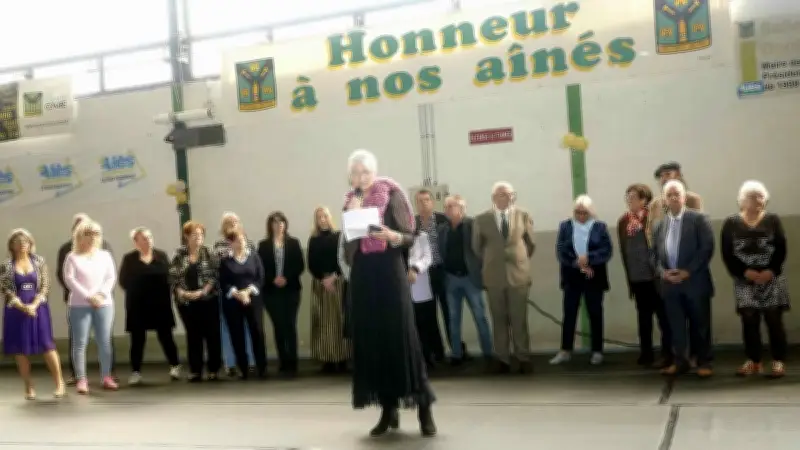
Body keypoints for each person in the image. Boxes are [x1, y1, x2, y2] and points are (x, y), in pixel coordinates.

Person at [340, 149, 436, 437]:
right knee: (375, 343)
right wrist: (352, 216)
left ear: (375, 172)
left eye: (365, 172)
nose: (360, 178)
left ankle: (424, 409)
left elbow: (410, 235)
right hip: (363, 275)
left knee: (402, 340)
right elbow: (347, 243)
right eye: (355, 173)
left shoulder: (392, 194)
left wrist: (393, 237)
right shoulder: (349, 201)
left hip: (390, 272)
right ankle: (388, 408)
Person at [721, 181, 789, 378]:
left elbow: (781, 249)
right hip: (745, 281)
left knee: (774, 320)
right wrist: (744, 272)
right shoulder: (731, 223)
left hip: (772, 279)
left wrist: (771, 271)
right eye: (753, 197)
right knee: (749, 321)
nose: (759, 201)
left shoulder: (773, 220)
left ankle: (778, 361)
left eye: (761, 196)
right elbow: (727, 253)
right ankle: (754, 361)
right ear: (743, 200)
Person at [651, 180, 715, 377]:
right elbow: (653, 255)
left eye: (676, 194)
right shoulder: (660, 225)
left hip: (694, 282)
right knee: (675, 326)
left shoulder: (699, 219)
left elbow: (706, 249)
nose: (673, 198)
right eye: (668, 195)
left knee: (700, 325)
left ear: (684, 197)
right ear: (664, 199)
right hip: (670, 285)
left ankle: (703, 362)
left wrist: (688, 271)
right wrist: (663, 272)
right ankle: (680, 362)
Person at [472, 181, 536, 374]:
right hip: (494, 278)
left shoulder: (523, 215)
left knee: (519, 319)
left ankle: (523, 357)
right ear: (494, 198)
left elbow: (531, 244)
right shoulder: (481, 219)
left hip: (519, 277)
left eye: (510, 194)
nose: (508, 197)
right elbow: (477, 248)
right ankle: (502, 359)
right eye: (503, 194)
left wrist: (519, 260)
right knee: (498, 320)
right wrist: (493, 261)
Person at [1, 229, 65, 400]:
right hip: (15, 310)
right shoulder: (6, 266)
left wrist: (34, 305)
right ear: (12, 246)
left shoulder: (39, 262)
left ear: (30, 244)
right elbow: (6, 290)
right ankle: (28, 386)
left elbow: (45, 285)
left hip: (39, 309)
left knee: (47, 345)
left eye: (25, 241)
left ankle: (59, 383)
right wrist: (22, 306)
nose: (22, 244)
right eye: (18, 241)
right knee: (19, 349)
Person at [550, 195, 613, 366]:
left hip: (593, 275)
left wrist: (589, 258)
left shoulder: (600, 227)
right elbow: (561, 249)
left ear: (591, 212)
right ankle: (565, 350)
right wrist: (576, 262)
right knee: (569, 314)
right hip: (572, 275)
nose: (581, 216)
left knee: (595, 313)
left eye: (584, 213)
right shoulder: (565, 226)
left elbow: (606, 250)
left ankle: (597, 351)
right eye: (578, 212)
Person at [56, 213, 116, 385]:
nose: (92, 238)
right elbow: (69, 279)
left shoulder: (105, 255)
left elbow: (110, 277)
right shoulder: (71, 257)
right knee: (80, 343)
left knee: (104, 342)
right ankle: (81, 379)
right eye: (88, 234)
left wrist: (101, 295)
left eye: (95, 234)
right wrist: (89, 296)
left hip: (104, 304)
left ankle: (107, 376)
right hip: (79, 305)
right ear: (79, 236)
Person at [618, 184, 672, 368]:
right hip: (637, 277)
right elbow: (624, 251)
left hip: (655, 277)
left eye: (633, 197)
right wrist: (629, 279)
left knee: (664, 317)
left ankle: (668, 353)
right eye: (627, 197)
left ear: (644, 200)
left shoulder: (653, 217)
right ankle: (646, 353)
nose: (629, 201)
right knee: (643, 318)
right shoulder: (623, 221)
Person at [118, 227, 181, 385]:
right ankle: (136, 371)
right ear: (136, 242)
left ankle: (175, 366)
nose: (148, 240)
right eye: (144, 238)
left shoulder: (161, 256)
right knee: (137, 340)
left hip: (160, 304)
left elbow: (169, 276)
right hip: (137, 306)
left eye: (150, 237)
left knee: (166, 336)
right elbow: (123, 281)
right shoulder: (129, 259)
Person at [437, 195, 492, 368]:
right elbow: (441, 252)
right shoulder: (442, 230)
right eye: (446, 206)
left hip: (470, 279)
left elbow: (482, 249)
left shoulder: (473, 225)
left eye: (451, 206)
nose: (447, 210)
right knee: (453, 319)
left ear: (462, 208)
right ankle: (456, 354)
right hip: (451, 279)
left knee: (480, 316)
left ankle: (488, 353)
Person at [170, 220, 222, 382]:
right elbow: (172, 277)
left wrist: (202, 292)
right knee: (193, 336)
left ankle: (213, 369)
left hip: (208, 300)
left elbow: (214, 276)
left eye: (200, 234)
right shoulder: (179, 254)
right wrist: (183, 293)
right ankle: (195, 370)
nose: (198, 237)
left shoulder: (209, 253)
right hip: (186, 303)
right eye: (194, 234)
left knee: (212, 335)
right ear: (186, 236)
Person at [414, 189, 462, 360]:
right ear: (416, 204)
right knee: (428, 315)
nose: (423, 203)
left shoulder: (443, 219)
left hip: (443, 271)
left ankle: (458, 352)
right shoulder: (413, 224)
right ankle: (436, 352)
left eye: (427, 200)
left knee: (450, 312)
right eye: (419, 201)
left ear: (432, 202)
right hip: (423, 276)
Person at [258, 211, 305, 377]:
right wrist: (273, 279)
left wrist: (286, 278)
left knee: (290, 325)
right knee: (278, 326)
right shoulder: (263, 245)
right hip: (271, 291)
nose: (278, 225)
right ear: (270, 225)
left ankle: (293, 363)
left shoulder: (293, 243)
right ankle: (283, 362)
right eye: (275, 222)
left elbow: (300, 265)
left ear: (285, 224)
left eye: (281, 222)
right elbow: (261, 268)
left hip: (291, 289)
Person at [219, 233, 268, 379]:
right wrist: (237, 294)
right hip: (233, 302)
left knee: (257, 333)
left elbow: (260, 278)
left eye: (242, 240)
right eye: (236, 241)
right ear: (230, 244)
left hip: (253, 300)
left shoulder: (254, 257)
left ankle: (261, 367)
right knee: (237, 335)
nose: (240, 243)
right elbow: (223, 282)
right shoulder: (225, 261)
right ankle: (243, 368)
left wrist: (247, 292)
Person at [307, 206, 350, 373]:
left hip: (337, 282)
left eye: (325, 215)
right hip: (320, 284)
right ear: (316, 220)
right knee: (323, 322)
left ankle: (342, 357)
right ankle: (327, 359)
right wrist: (322, 279)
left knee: (339, 320)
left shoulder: (339, 236)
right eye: (319, 217)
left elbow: (344, 259)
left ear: (329, 217)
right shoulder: (313, 239)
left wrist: (335, 276)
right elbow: (311, 264)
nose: (322, 219)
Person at [213, 212, 256, 377]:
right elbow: (218, 266)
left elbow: (253, 265)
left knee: (248, 328)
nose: (232, 224)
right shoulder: (219, 245)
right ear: (223, 226)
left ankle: (250, 361)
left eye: (235, 221)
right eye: (228, 222)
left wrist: (247, 290)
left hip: (248, 293)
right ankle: (230, 363)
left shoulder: (248, 242)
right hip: (229, 294)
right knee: (228, 329)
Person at [408, 231, 440, 368]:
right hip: (400, 286)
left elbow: (428, 257)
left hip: (419, 285)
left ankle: (428, 356)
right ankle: (411, 359)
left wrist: (415, 269)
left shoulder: (421, 236)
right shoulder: (393, 236)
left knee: (424, 324)